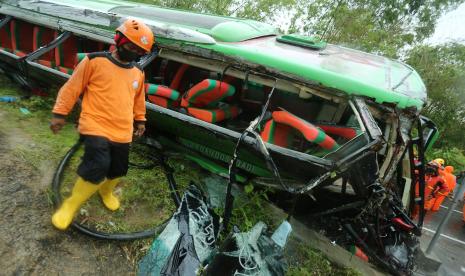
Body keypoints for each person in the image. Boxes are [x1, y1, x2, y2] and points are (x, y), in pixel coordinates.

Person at [49, 18, 155, 230]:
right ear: (118, 39)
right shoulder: (93, 61)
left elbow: (138, 100)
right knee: (97, 165)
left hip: (122, 130)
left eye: (139, 50)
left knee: (118, 169)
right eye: (130, 45)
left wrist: (140, 120)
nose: (133, 51)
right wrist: (60, 113)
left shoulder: (138, 73)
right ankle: (71, 205)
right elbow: (71, 89)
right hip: (94, 123)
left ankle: (105, 191)